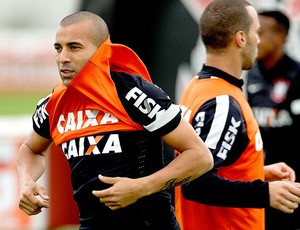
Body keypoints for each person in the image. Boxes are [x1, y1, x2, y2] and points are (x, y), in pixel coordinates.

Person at [16, 11, 214, 229]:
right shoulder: (53, 104)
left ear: (101, 51)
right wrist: (26, 182)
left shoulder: (133, 93)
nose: (63, 57)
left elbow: (200, 156)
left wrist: (141, 187)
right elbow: (31, 149)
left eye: (74, 47)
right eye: (58, 48)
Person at [174, 1, 300, 230]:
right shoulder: (222, 102)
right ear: (241, 38)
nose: (258, 40)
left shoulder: (197, 86)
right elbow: (195, 182)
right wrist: (264, 192)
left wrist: (255, 172)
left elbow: (214, 166)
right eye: (255, 32)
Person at [245, 10, 300, 230]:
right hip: (259, 180)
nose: (255, 40)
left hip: (291, 181)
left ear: (280, 37)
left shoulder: (297, 75)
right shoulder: (252, 73)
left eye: (261, 33)